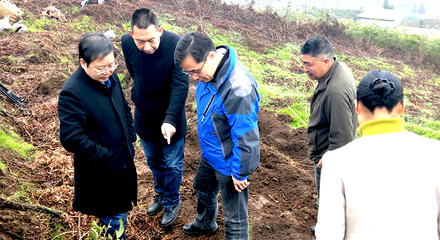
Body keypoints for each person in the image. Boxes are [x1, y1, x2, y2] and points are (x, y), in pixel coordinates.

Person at [315, 70, 440, 239]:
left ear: (357, 106)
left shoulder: (336, 162)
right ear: (402, 106)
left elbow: (329, 234)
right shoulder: (435, 153)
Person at [174, 32, 260, 239]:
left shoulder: (238, 89)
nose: (194, 78)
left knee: (234, 216)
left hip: (229, 160)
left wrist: (240, 172)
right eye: (189, 73)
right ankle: (205, 223)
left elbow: (246, 136)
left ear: (211, 57)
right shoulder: (209, 70)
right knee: (202, 187)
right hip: (211, 150)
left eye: (195, 71)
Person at [58, 32, 137, 239]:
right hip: (101, 171)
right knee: (114, 218)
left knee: (119, 212)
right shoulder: (73, 92)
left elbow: (124, 108)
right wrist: (103, 154)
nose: (107, 72)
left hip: (121, 162)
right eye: (100, 68)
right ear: (83, 63)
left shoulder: (110, 78)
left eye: (112, 65)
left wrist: (130, 136)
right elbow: (70, 137)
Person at [121, 8, 189, 228]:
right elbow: (134, 73)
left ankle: (172, 201)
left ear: (160, 31)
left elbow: (180, 84)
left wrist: (170, 119)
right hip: (144, 118)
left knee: (173, 164)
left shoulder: (176, 45)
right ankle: (160, 194)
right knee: (154, 162)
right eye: (141, 42)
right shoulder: (126, 42)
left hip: (171, 117)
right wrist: (140, 96)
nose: (147, 47)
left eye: (151, 40)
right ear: (132, 35)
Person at [300, 36, 357, 235]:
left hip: (330, 156)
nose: (304, 68)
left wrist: (327, 158)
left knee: (329, 202)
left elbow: (342, 137)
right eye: (303, 63)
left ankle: (329, 232)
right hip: (327, 151)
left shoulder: (335, 90)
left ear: (326, 61)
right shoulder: (335, 70)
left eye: (308, 64)